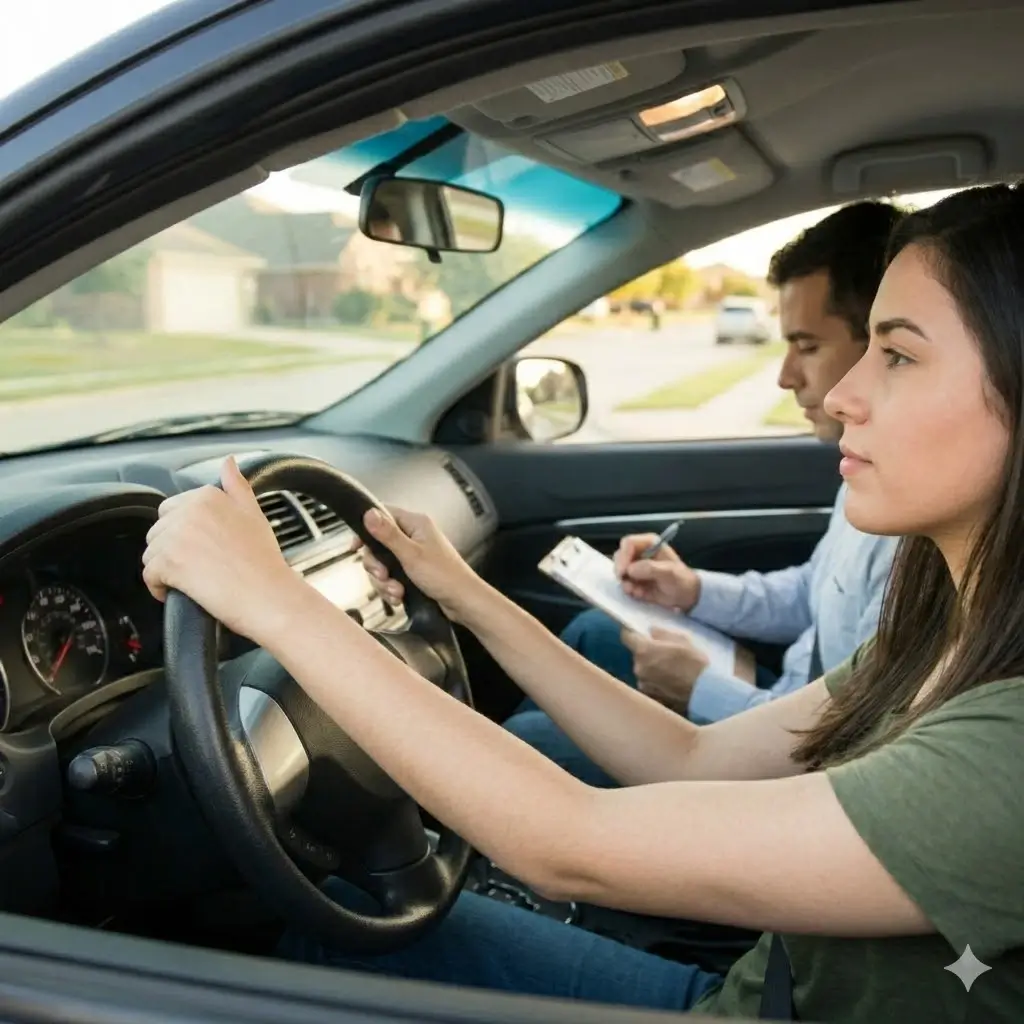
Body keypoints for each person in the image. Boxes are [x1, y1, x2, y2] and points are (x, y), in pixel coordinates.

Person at [143, 183, 1024, 1021]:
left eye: (900, 356)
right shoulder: (946, 629)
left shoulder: (1007, 746)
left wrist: (272, 603)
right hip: (777, 980)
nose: (840, 394)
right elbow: (694, 760)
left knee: (342, 937)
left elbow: (568, 845)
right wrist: (467, 593)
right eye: (865, 346)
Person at [506, 202, 904, 787]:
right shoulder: (865, 476)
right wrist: (690, 592)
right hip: (779, 702)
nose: (785, 376)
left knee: (523, 744)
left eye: (807, 345)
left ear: (880, 347)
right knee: (595, 631)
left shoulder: (918, 538)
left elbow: (836, 749)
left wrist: (701, 690)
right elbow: (809, 596)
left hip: (784, 758)